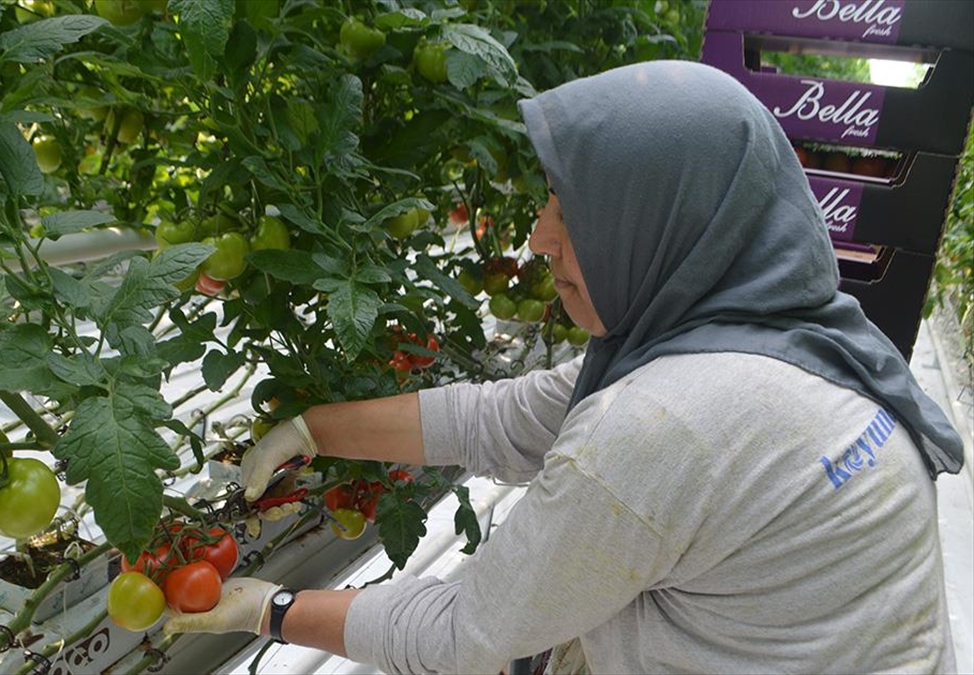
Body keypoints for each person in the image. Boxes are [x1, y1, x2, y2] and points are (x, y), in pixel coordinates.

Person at [163, 60, 964, 673]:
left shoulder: (662, 423)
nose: (541, 239)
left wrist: (270, 609)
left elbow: (466, 632)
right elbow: (503, 418)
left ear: (662, 220)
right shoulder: (776, 329)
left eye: (570, 207)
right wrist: (308, 430)